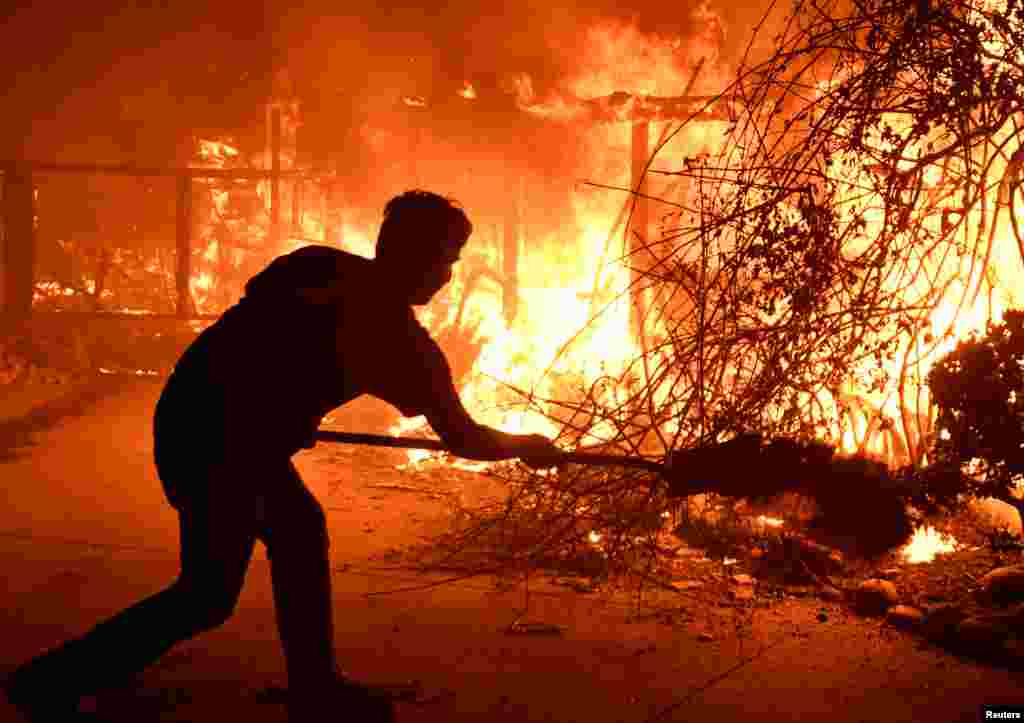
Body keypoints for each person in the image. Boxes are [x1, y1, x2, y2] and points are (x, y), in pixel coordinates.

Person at [2, 190, 564, 722]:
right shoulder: (401, 343)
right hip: (223, 444)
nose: (449, 275)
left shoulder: (317, 264)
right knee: (206, 595)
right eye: (447, 259)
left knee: (296, 532)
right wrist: (524, 446)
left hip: (193, 414)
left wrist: (287, 408)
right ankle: (51, 681)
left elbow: (260, 319)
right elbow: (462, 437)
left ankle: (314, 685)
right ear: (416, 255)